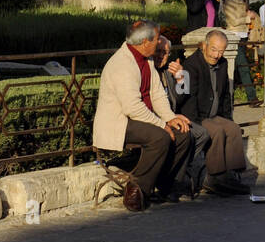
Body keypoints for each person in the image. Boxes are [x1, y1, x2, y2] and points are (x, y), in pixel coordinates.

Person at [92, 20, 193, 210]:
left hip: (142, 119)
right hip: (121, 122)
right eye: (156, 40)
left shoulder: (147, 60)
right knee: (160, 137)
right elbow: (132, 108)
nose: (158, 44)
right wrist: (162, 125)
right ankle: (137, 189)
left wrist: (171, 118)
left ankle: (164, 184)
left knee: (183, 133)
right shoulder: (122, 64)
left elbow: (156, 94)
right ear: (145, 42)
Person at [174, 29, 252, 194]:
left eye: (221, 51)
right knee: (216, 131)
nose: (217, 55)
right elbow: (189, 98)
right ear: (204, 46)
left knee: (233, 129)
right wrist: (196, 122)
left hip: (214, 114)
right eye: (214, 50)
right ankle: (215, 177)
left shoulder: (222, 64)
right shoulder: (192, 65)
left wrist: (227, 118)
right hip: (197, 115)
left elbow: (224, 95)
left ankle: (232, 173)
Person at [153, 35, 211, 198]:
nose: (161, 56)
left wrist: (180, 78)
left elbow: (180, 98)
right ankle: (171, 181)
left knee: (202, 134)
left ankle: (174, 170)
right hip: (157, 120)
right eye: (158, 51)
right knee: (187, 136)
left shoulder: (167, 71)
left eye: (165, 53)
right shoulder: (149, 71)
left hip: (172, 117)